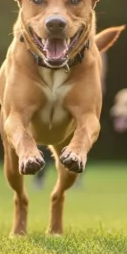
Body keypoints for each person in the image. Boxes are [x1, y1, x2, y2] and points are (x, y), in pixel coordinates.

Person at [33, 51, 107, 190]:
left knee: (82, 136)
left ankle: (74, 177)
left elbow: (99, 60)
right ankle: (39, 177)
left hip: (80, 94)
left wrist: (97, 84)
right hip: (50, 93)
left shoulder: (87, 42)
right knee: (44, 137)